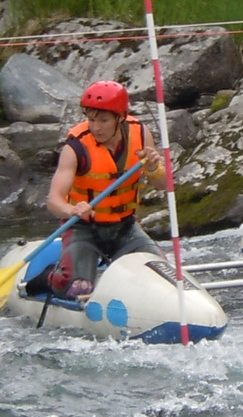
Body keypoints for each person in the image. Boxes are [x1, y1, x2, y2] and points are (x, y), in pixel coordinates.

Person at [44, 80, 168, 299]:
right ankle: (47, 278)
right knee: (78, 288)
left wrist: (154, 169)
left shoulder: (140, 134)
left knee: (162, 275)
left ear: (120, 118)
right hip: (83, 228)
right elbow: (53, 200)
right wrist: (71, 210)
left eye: (103, 120)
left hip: (125, 227)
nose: (96, 127)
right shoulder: (75, 147)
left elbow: (165, 185)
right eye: (91, 120)